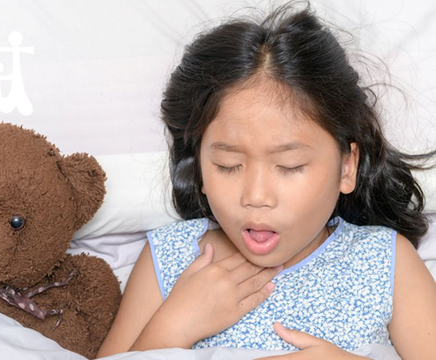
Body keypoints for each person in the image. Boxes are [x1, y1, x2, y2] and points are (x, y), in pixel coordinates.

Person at [97, 3, 436, 359]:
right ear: (199, 167)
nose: (256, 196)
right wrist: (173, 326)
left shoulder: (383, 260)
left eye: (289, 166)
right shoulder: (171, 257)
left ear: (347, 167)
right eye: (228, 165)